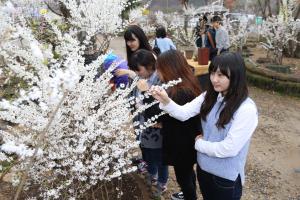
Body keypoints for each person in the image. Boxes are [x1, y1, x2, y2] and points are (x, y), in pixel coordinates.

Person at [150, 52, 258, 200]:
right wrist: (166, 100)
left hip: (224, 177)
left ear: (236, 75)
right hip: (204, 169)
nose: (214, 79)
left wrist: (199, 144)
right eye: (212, 73)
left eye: (221, 75)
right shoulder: (210, 96)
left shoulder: (246, 109)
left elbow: (230, 148)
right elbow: (183, 113)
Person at [150, 50, 202, 200]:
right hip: (188, 139)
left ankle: (190, 196)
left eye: (159, 69)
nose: (158, 73)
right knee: (187, 173)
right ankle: (189, 193)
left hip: (182, 143)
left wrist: (160, 119)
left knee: (183, 177)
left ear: (169, 69)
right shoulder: (188, 83)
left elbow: (175, 115)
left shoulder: (180, 92)